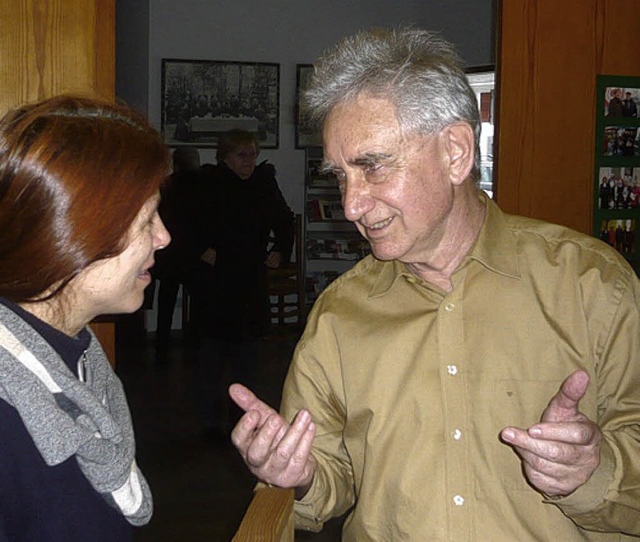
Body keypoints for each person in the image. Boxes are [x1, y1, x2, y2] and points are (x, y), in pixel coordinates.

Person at [228, 27, 640, 540]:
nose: (351, 205)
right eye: (340, 176)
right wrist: (300, 477)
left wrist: (590, 471)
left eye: (373, 167)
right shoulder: (340, 313)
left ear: (455, 152)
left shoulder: (591, 284)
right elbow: (326, 476)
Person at [0, 95, 171, 540]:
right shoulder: (7, 419)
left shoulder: (77, 357)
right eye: (147, 219)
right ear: (75, 231)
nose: (164, 237)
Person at [195, 129, 294, 440]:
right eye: (242, 155)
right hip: (217, 281)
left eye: (252, 154)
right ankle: (210, 424)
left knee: (247, 358)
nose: (249, 161)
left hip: (250, 279)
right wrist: (202, 249)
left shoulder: (264, 183)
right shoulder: (210, 183)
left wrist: (280, 250)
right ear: (226, 157)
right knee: (211, 357)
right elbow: (188, 222)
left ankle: (244, 423)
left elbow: (285, 220)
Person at [152, 146, 203, 360]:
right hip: (195, 250)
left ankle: (161, 345)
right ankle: (195, 344)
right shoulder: (203, 185)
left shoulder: (168, 185)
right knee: (198, 302)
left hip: (171, 251)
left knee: (167, 301)